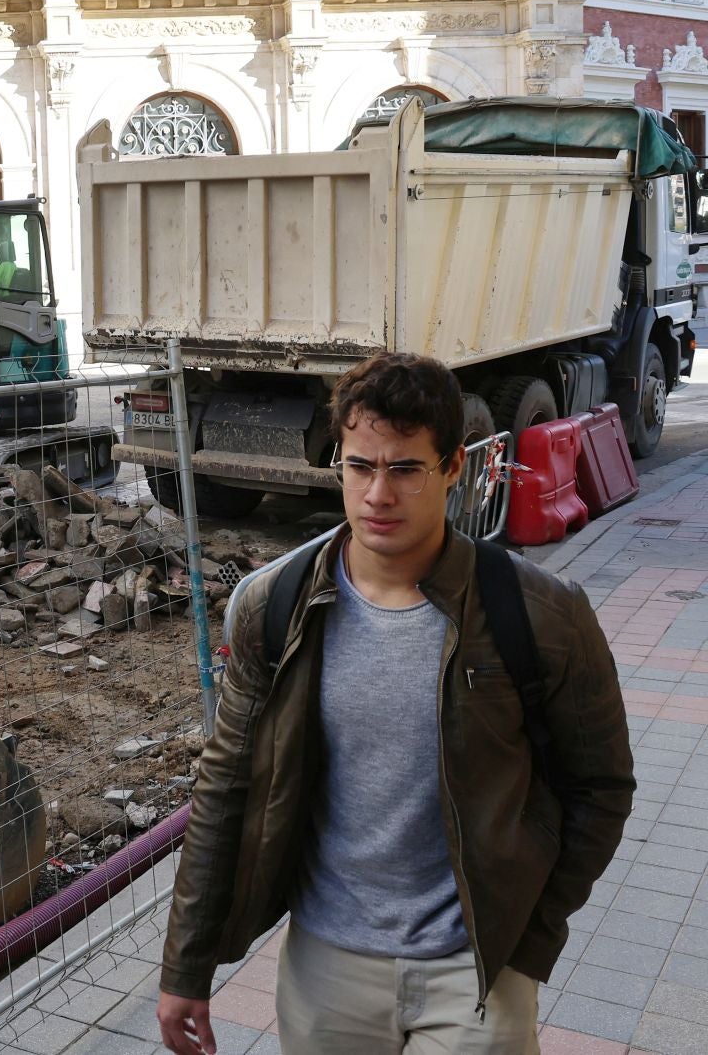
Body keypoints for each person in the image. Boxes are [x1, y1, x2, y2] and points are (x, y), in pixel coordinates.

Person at [157, 352, 633, 1055]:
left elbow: (602, 788)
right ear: (339, 465)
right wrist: (185, 965)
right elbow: (224, 785)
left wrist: (529, 943)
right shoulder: (278, 606)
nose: (378, 493)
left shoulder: (539, 614)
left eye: (406, 469)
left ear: (452, 469)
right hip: (327, 969)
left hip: (473, 973)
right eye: (360, 466)